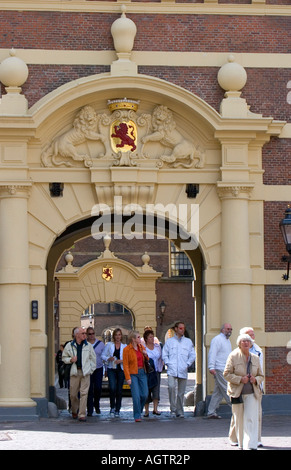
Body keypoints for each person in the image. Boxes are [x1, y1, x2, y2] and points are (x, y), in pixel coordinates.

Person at [223, 333, 264, 450]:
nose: (246, 343)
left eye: (248, 341)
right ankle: (241, 444)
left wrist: (255, 379)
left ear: (251, 344)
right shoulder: (233, 356)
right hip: (237, 393)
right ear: (239, 344)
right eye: (243, 341)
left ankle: (251, 445)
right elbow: (226, 374)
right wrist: (240, 379)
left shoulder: (255, 358)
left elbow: (261, 375)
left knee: (251, 418)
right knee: (239, 420)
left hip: (252, 392)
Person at [162, 321, 196, 418]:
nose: (182, 330)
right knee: (171, 387)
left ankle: (180, 411)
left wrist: (188, 364)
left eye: (183, 328)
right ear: (176, 329)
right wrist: (168, 363)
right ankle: (173, 408)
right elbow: (164, 354)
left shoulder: (188, 342)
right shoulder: (169, 341)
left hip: (183, 369)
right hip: (172, 369)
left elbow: (192, 354)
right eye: (180, 328)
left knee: (181, 392)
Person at [62, 326, 96, 421]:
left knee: (84, 393)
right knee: (73, 394)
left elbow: (93, 359)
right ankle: (74, 410)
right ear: (77, 335)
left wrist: (91, 370)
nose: (85, 335)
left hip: (85, 372)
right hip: (74, 372)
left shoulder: (88, 346)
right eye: (83, 333)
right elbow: (64, 358)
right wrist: (70, 360)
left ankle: (82, 414)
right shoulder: (69, 345)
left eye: (85, 333)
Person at [204, 323, 233, 419]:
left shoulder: (227, 341)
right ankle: (236, 409)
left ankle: (211, 412)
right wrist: (211, 367)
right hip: (219, 368)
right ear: (222, 330)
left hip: (225, 368)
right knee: (227, 389)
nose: (229, 330)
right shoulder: (217, 340)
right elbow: (212, 353)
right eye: (228, 329)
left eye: (230, 329)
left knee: (218, 392)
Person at [123, 330, 149, 422]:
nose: (140, 338)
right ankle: (137, 415)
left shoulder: (141, 347)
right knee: (136, 396)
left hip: (142, 372)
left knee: (145, 394)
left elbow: (146, 359)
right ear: (133, 339)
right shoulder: (126, 349)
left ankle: (139, 410)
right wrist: (128, 377)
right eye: (138, 337)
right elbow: (125, 365)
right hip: (133, 374)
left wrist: (146, 355)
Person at [101, 328, 126, 417]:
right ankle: (112, 406)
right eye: (116, 335)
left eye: (119, 335)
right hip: (111, 369)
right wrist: (108, 358)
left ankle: (117, 408)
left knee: (119, 389)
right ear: (114, 336)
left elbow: (128, 359)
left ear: (121, 336)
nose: (118, 337)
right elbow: (103, 356)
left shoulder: (124, 346)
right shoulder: (109, 345)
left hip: (120, 370)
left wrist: (121, 361)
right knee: (112, 388)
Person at [143, 329, 163, 417]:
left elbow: (161, 356)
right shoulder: (143, 348)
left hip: (157, 371)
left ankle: (155, 409)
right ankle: (146, 410)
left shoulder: (157, 346)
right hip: (147, 372)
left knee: (156, 389)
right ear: (146, 339)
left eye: (152, 337)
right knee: (146, 391)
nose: (152, 338)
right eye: (150, 337)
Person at [86, 327, 105, 416]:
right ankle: (90, 409)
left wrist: (106, 370)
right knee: (89, 389)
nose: (92, 335)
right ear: (87, 335)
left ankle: (96, 404)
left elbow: (104, 357)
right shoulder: (84, 344)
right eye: (89, 334)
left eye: (93, 333)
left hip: (98, 368)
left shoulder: (100, 344)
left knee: (98, 388)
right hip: (88, 369)